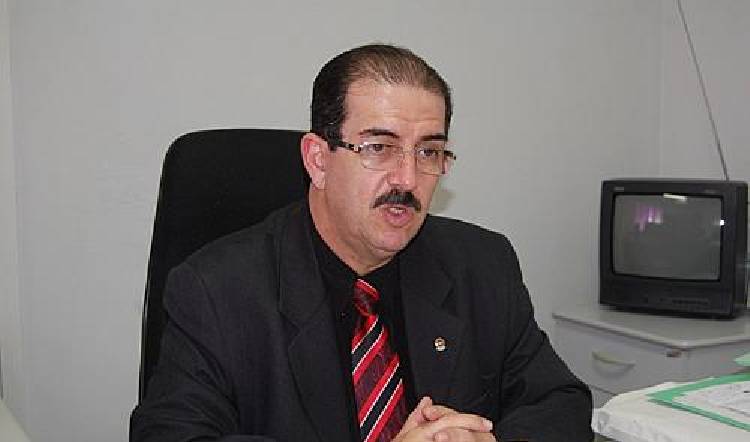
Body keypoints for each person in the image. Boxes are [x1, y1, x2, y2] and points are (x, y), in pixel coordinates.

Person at [130, 43, 593, 442]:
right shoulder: (216, 289)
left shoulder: (482, 264)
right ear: (318, 160)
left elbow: (561, 403)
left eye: (429, 151)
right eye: (379, 147)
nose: (407, 179)